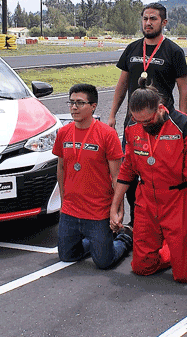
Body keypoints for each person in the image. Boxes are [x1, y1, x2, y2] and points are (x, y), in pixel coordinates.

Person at [110, 85, 187, 283]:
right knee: (141, 267)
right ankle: (176, 250)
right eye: (138, 120)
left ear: (160, 108)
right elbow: (127, 168)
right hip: (146, 198)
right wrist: (115, 207)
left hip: (178, 200)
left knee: (186, 276)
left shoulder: (185, 125)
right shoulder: (132, 125)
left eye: (148, 120)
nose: (143, 125)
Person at [108, 3, 187, 228]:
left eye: (153, 19)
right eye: (145, 18)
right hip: (133, 124)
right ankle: (137, 221)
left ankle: (163, 222)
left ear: (164, 22)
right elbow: (122, 84)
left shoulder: (174, 51)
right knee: (130, 173)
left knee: (160, 174)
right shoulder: (132, 49)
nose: (148, 23)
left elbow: (184, 89)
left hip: (162, 124)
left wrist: (183, 120)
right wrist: (113, 114)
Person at [53, 84, 132, 269]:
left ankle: (125, 238)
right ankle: (97, 242)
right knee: (67, 256)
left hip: (98, 211)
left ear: (93, 106)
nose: (74, 107)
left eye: (80, 103)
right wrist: (63, 203)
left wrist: (118, 210)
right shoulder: (63, 133)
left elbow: (117, 176)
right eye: (71, 102)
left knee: (104, 262)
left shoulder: (107, 134)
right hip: (71, 211)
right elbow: (61, 169)